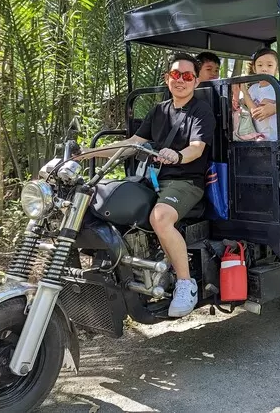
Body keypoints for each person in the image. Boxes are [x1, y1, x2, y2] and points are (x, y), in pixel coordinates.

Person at [84, 53, 215, 317]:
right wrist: (89, 152)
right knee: (101, 201)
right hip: (153, 178)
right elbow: (132, 143)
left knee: (160, 217)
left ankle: (185, 284)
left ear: (195, 81)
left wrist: (178, 156)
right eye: (176, 75)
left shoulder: (201, 111)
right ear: (168, 78)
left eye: (187, 76)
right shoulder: (158, 111)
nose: (181, 80)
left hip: (185, 181)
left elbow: (197, 148)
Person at [241, 48, 279, 140]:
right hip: (256, 137)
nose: (264, 69)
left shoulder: (275, 88)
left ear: (276, 69)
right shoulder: (253, 88)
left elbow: (257, 113)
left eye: (269, 65)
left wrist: (245, 92)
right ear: (254, 68)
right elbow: (244, 103)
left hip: (271, 138)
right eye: (260, 65)